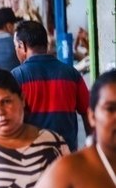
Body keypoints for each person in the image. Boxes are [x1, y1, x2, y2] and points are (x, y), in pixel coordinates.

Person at [12, 20, 91, 151]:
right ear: (46, 44)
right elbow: (88, 111)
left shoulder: (16, 77)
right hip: (66, 155)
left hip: (31, 156)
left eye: (16, 47)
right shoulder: (72, 74)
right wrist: (90, 144)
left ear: (22, 46)